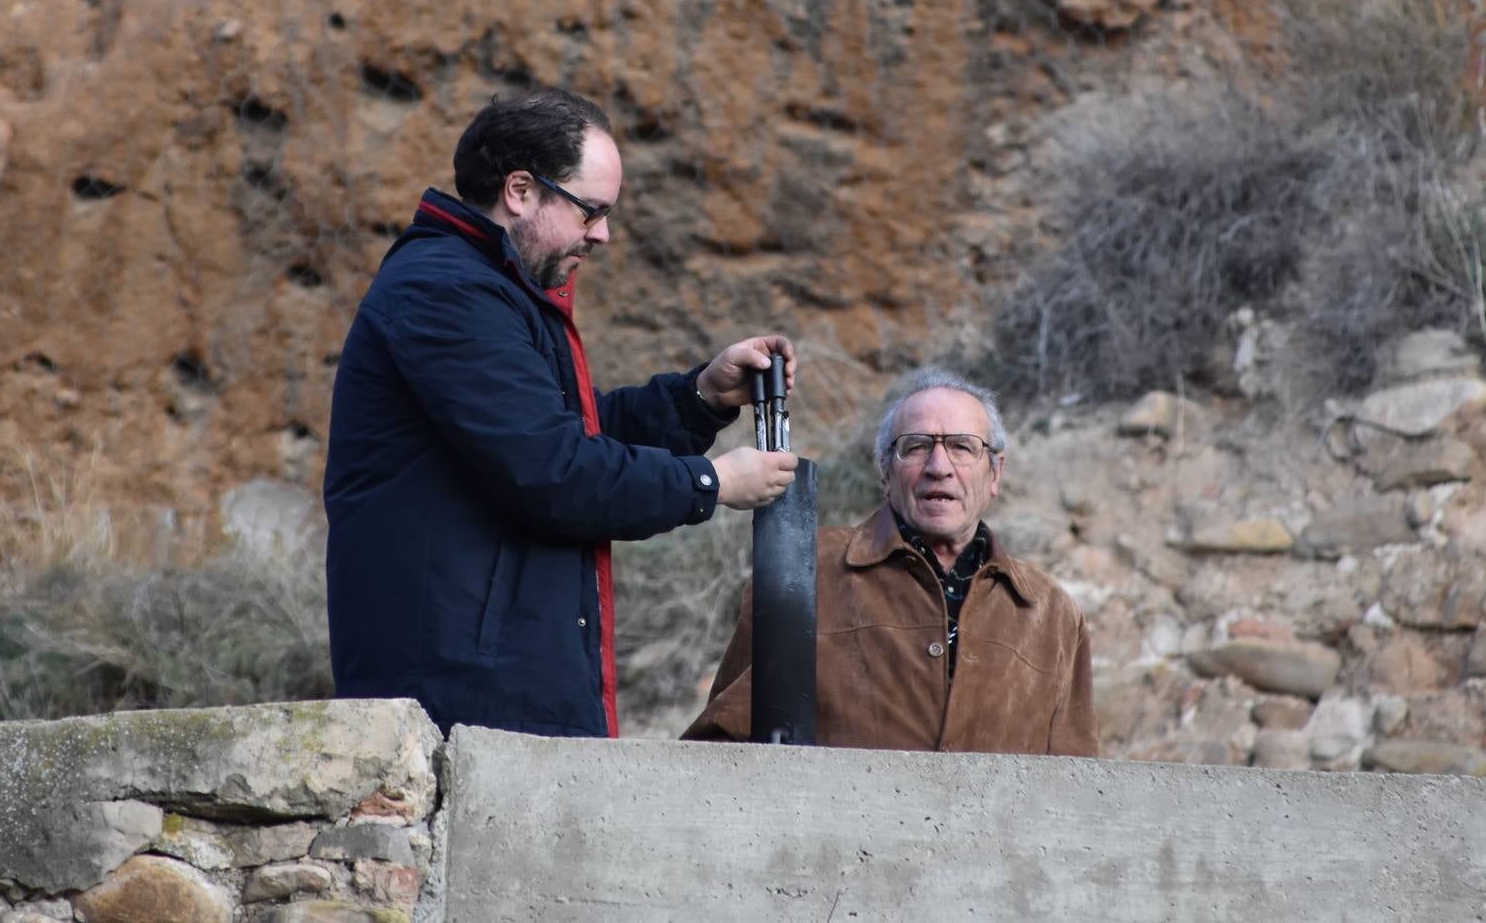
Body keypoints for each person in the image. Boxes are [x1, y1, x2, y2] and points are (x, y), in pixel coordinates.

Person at [325, 88, 801, 738]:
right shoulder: (445, 289)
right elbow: (553, 470)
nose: (602, 234)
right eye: (590, 211)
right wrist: (711, 483)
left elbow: (563, 433)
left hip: (495, 682)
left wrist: (698, 398)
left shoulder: (491, 287)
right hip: (461, 700)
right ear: (520, 190)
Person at [684, 367, 1099, 754]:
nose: (940, 467)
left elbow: (1075, 791)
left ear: (994, 473)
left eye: (962, 447)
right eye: (916, 447)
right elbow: (723, 750)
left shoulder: (1052, 615)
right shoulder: (804, 571)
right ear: (885, 471)